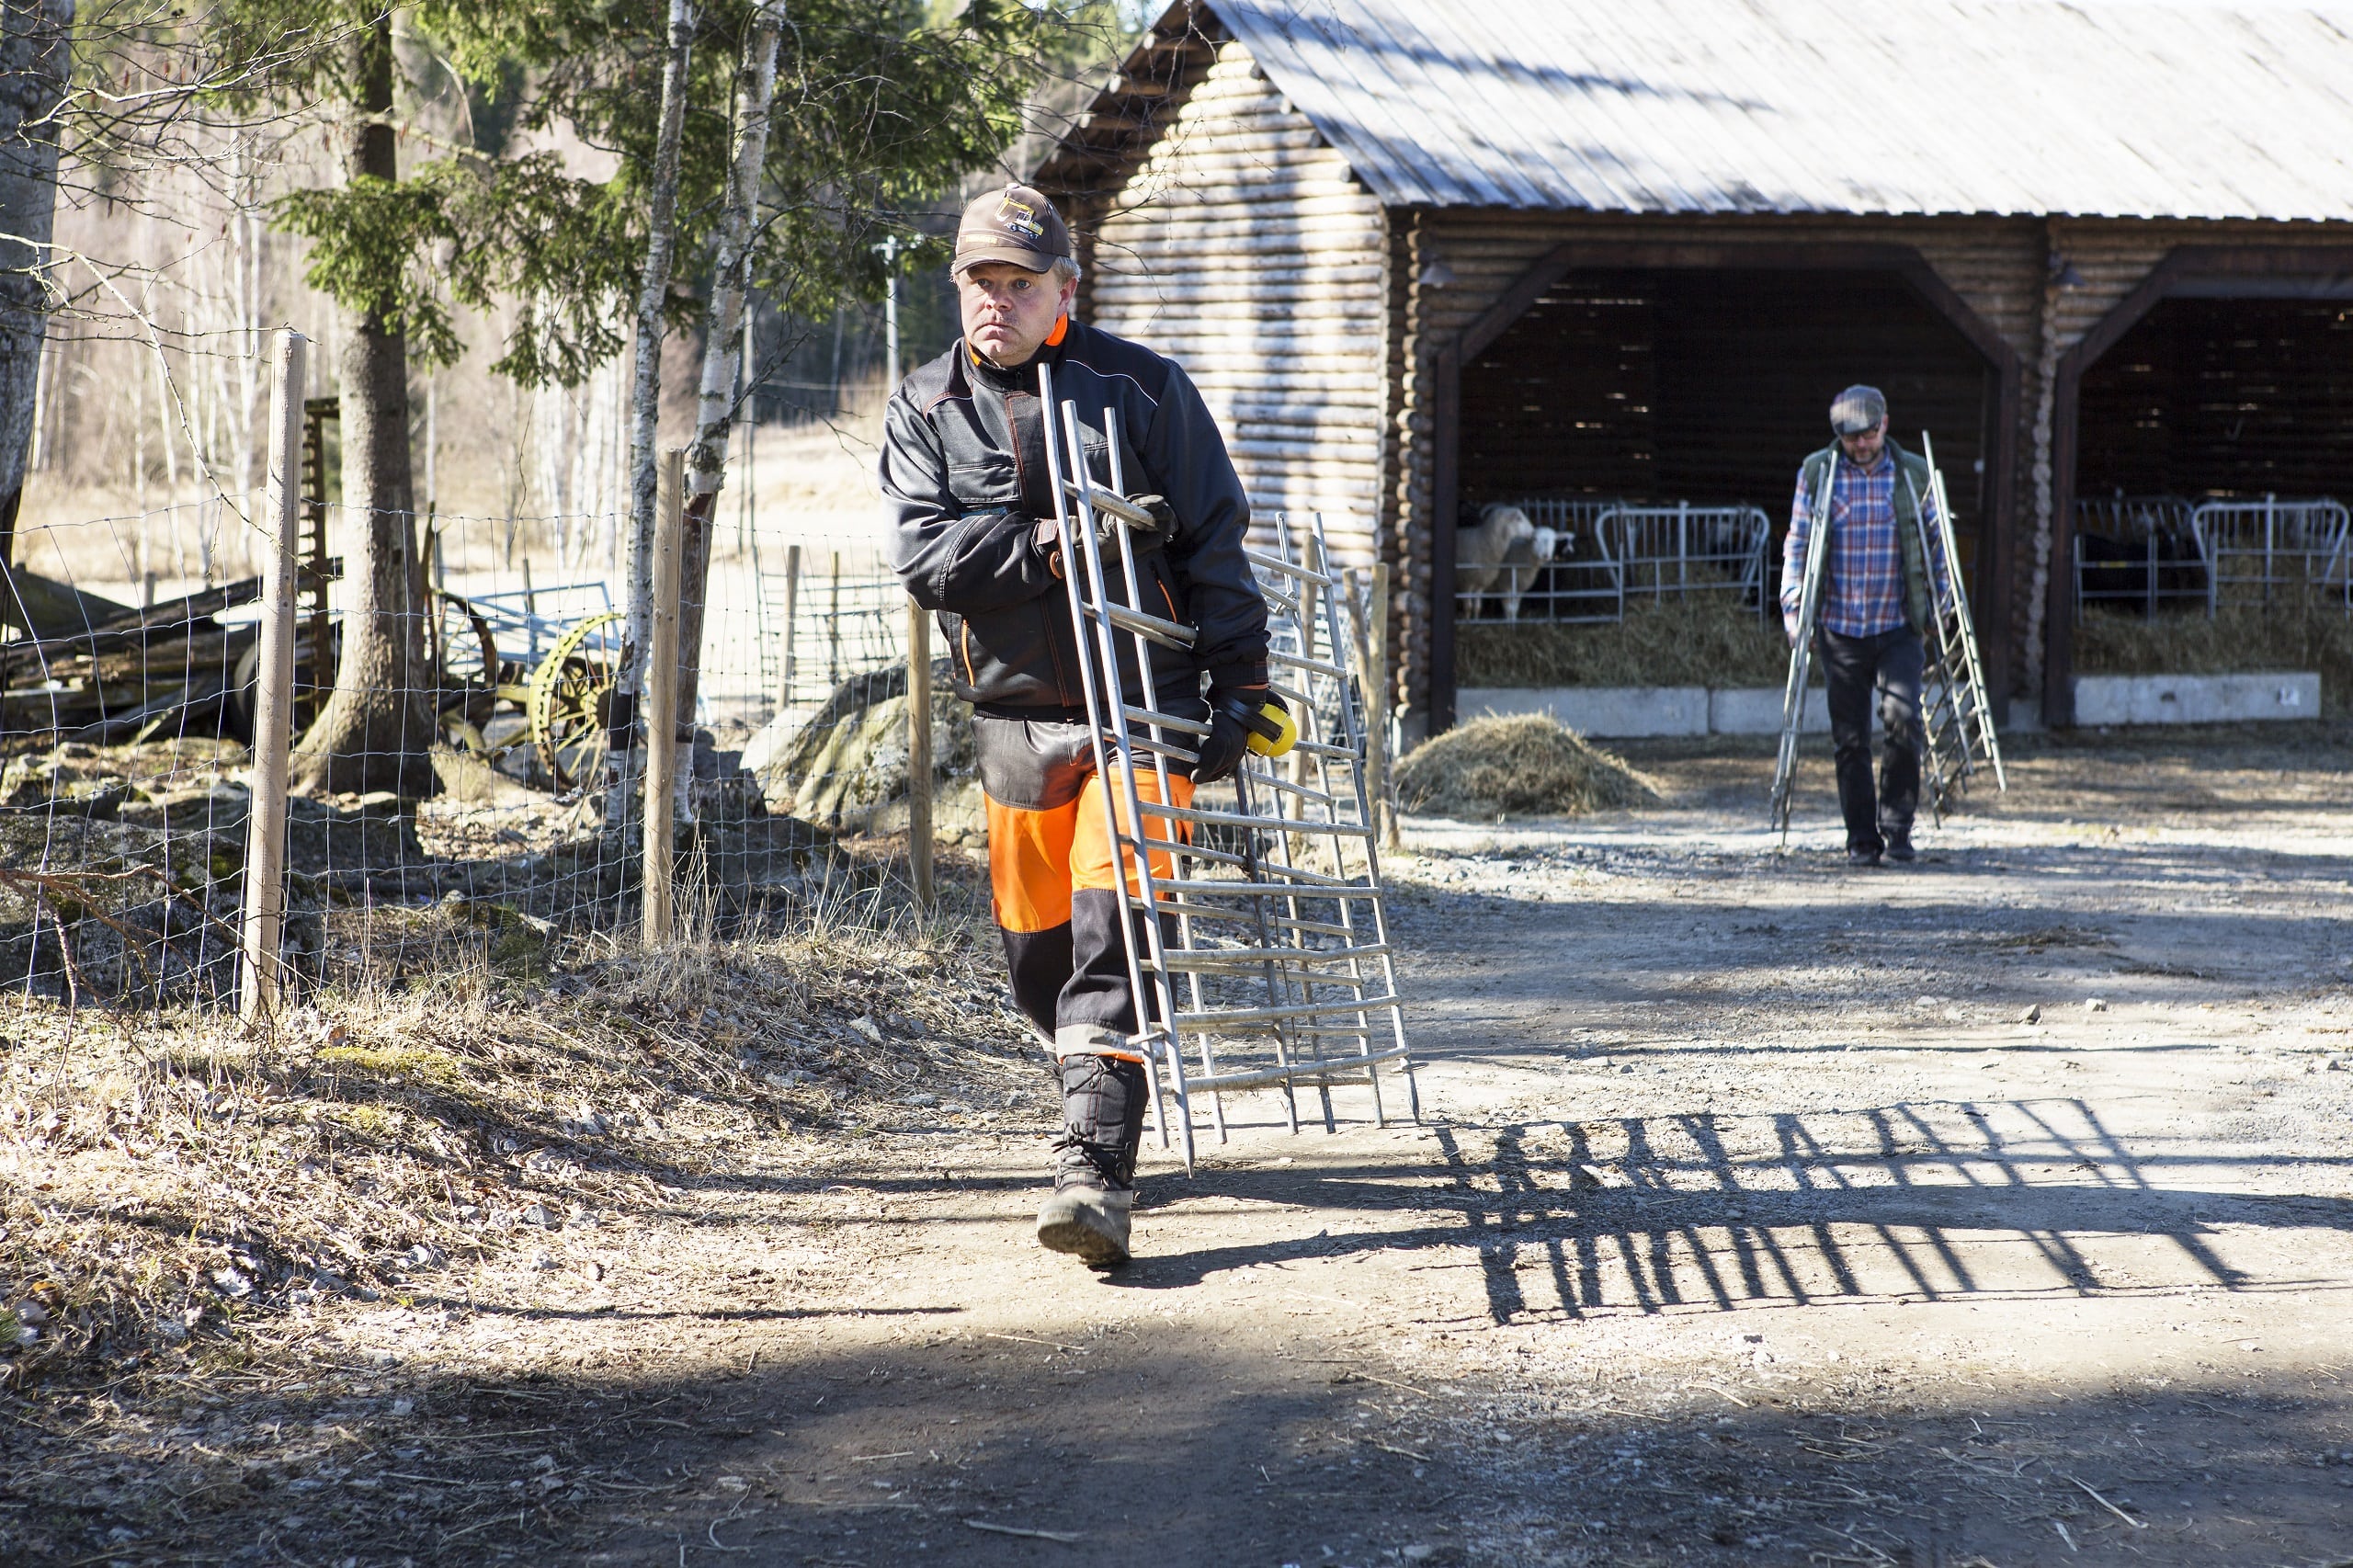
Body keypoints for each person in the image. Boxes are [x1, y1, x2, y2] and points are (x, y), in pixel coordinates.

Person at [879, 185, 1272, 1267]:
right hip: (1013, 718)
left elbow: (1214, 542)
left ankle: (1094, 1170)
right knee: (1036, 954)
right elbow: (923, 556)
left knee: (1117, 927)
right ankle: (1092, 1095)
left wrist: (1240, 685)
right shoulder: (923, 404)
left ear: (1065, 287)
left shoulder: (1141, 388)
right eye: (978, 281)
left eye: (1019, 282)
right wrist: (1048, 545)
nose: (994, 303)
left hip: (1142, 706)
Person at [1780, 384, 1951, 869]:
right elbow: (1797, 544)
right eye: (1851, 437)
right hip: (1839, 627)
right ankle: (1861, 837)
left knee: (1904, 717)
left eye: (1869, 434)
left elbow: (1937, 544)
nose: (1861, 444)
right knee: (1850, 737)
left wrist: (1941, 607)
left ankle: (1897, 828)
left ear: (1885, 425)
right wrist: (1796, 611)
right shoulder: (1818, 473)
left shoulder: (1913, 473)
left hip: (1898, 623)